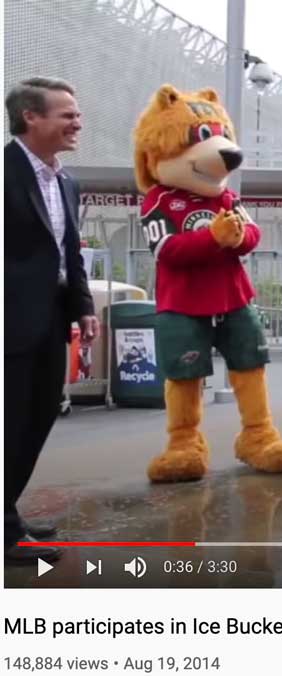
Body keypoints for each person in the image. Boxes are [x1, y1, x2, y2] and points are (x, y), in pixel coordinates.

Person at [4, 77, 98, 565]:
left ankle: (8, 517)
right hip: (9, 325)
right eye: (67, 114)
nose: (77, 122)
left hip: (50, 323)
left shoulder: (65, 180)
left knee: (36, 420)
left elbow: (69, 254)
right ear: (30, 118)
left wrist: (83, 305)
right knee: (9, 424)